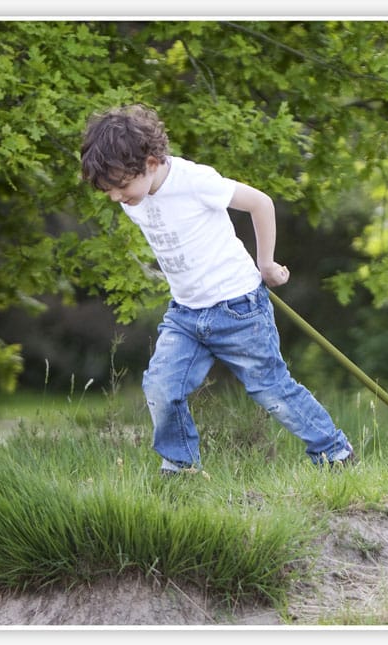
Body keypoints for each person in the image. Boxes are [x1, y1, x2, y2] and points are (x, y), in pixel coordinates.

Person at [80, 104, 355, 474]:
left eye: (120, 187)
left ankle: (334, 452)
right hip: (185, 314)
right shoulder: (136, 196)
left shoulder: (194, 180)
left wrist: (267, 264)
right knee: (162, 388)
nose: (115, 197)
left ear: (149, 162)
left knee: (271, 389)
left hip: (238, 308)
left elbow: (260, 202)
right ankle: (181, 467)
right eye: (108, 190)